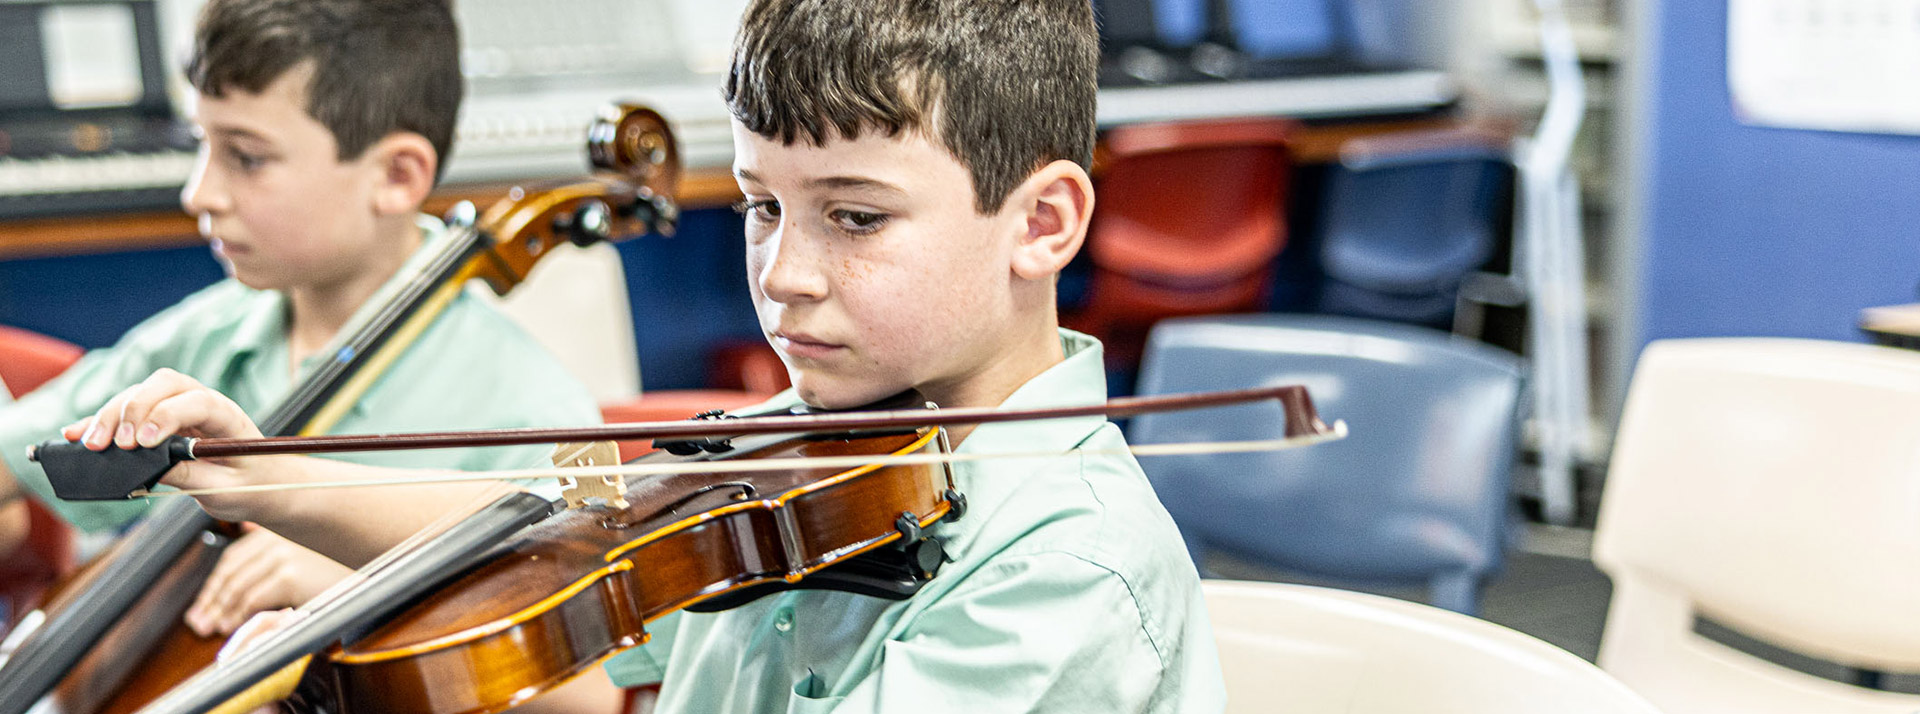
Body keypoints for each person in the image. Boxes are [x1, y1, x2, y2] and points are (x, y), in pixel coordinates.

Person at [74, 0, 1227, 710]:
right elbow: (534, 519)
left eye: (856, 217)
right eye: (762, 208)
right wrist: (258, 481)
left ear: (1042, 223)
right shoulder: (796, 449)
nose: (784, 272)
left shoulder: (1064, 573)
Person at [0, 0, 599, 658]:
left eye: (246, 157)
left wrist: (367, 588)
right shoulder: (211, 333)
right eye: (204, 144)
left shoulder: (536, 406)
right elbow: (14, 457)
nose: (198, 193)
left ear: (397, 177)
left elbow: (595, 693)